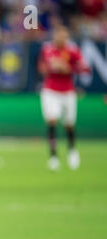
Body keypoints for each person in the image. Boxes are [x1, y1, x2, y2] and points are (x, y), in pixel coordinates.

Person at [38, 25, 90, 171]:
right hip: (50, 90)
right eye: (57, 35)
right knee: (52, 119)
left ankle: (72, 150)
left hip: (68, 91)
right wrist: (50, 67)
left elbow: (85, 68)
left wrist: (67, 68)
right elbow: (41, 67)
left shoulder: (72, 51)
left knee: (69, 123)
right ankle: (53, 156)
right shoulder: (47, 50)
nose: (60, 38)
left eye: (63, 35)